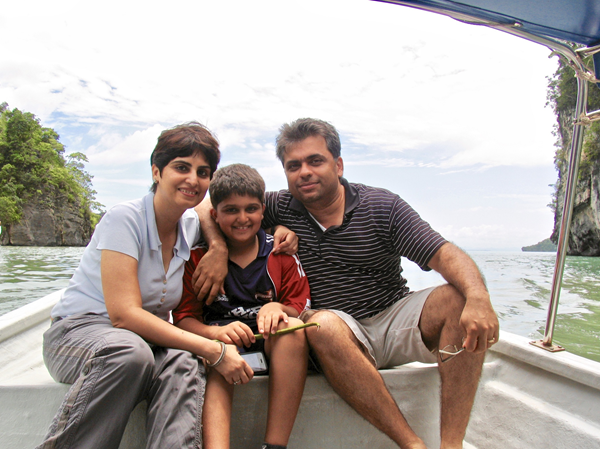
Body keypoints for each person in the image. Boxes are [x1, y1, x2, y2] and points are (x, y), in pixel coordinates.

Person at [193, 118, 500, 449]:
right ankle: (412, 444)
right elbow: (207, 202)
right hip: (335, 331)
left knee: (458, 299)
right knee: (321, 324)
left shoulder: (381, 206)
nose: (304, 172)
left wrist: (478, 297)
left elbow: (443, 253)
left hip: (390, 315)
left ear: (337, 165)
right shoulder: (278, 206)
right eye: (293, 166)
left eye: (315, 161)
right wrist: (218, 247)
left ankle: (451, 445)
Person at [37, 122, 253, 449]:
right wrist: (213, 348)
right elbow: (124, 316)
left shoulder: (189, 224)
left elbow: (212, 210)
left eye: (203, 171)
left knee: (183, 361)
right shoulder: (124, 219)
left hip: (141, 341)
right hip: (77, 335)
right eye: (181, 167)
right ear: (156, 171)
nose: (193, 179)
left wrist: (218, 248)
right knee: (131, 353)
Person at [173, 163, 311, 449]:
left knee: (293, 329)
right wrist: (214, 335)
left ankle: (274, 445)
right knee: (220, 354)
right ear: (215, 214)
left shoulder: (280, 254)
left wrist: (278, 309)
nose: (242, 218)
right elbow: (184, 318)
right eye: (231, 210)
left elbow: (300, 305)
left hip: (269, 346)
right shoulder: (199, 259)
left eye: (251, 209)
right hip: (221, 347)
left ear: (263, 210)